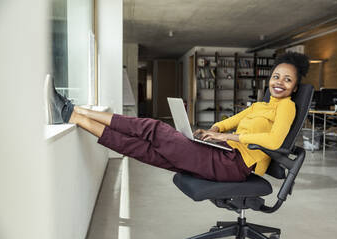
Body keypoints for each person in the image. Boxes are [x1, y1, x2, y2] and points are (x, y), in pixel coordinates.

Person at [46, 52, 309, 182]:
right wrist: (214, 129)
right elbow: (232, 119)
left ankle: (72, 110)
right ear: (269, 79)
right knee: (144, 150)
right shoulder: (262, 104)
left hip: (235, 163)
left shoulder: (286, 107)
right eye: (276, 76)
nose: (280, 82)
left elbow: (275, 142)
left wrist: (225, 135)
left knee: (154, 129)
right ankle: (74, 118)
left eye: (288, 80)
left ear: (295, 87)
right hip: (224, 152)